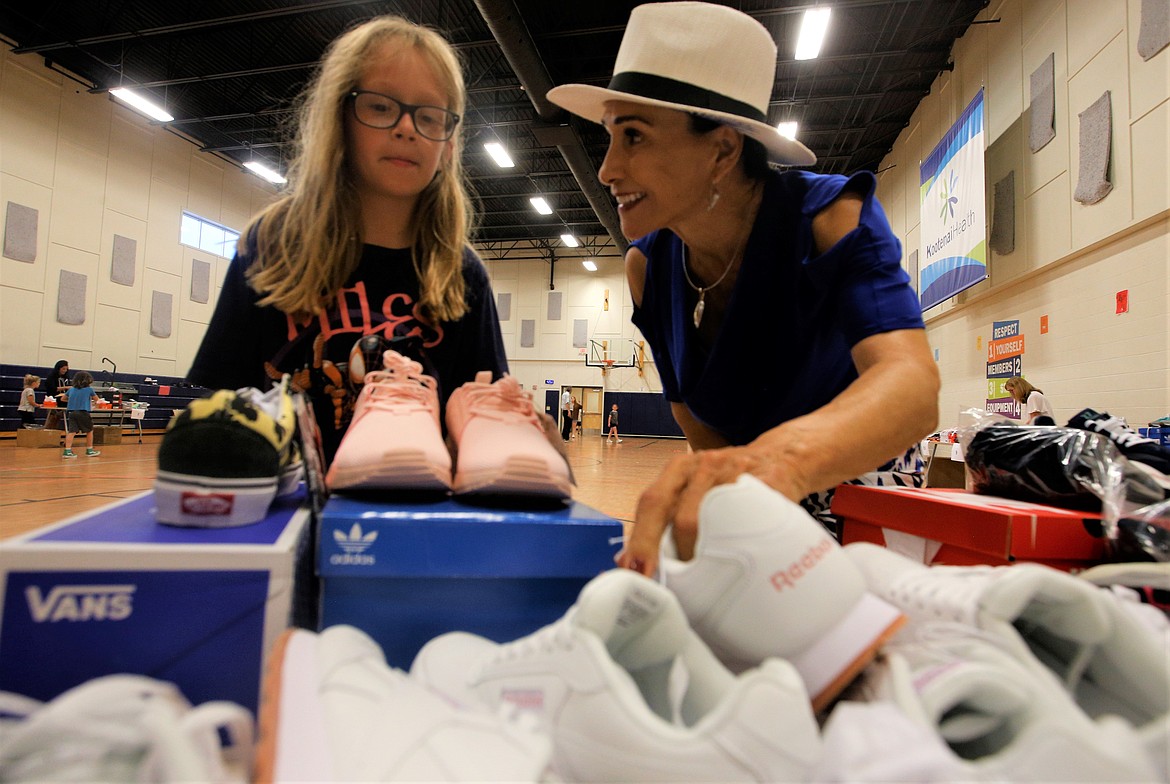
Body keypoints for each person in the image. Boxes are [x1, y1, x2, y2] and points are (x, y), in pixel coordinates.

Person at [546, 2, 939, 574]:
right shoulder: (646, 268)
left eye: (632, 136)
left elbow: (912, 387)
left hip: (862, 497)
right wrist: (723, 514)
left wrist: (771, 469)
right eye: (609, 136)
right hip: (753, 497)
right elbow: (695, 423)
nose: (606, 169)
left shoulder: (831, 219)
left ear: (723, 150)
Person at [186, 15, 508, 465]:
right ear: (340, 117)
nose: (406, 128)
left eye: (430, 115)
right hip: (281, 513)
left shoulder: (460, 273)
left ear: (449, 143)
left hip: (406, 510)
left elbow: (479, 417)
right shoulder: (273, 246)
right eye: (380, 106)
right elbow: (221, 397)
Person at [62, 371, 101, 458]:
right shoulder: (89, 390)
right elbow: (97, 400)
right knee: (89, 430)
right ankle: (89, 450)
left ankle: (67, 451)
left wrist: (73, 400)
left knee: (71, 432)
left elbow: (63, 398)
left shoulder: (71, 389)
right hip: (83, 412)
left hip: (71, 412)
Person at [42, 360, 69, 430]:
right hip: (52, 399)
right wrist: (65, 387)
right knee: (51, 417)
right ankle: (47, 432)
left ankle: (54, 434)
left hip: (62, 400)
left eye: (66, 369)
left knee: (57, 418)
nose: (65, 371)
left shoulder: (66, 377)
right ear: (58, 368)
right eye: (63, 369)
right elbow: (52, 388)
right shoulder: (51, 377)